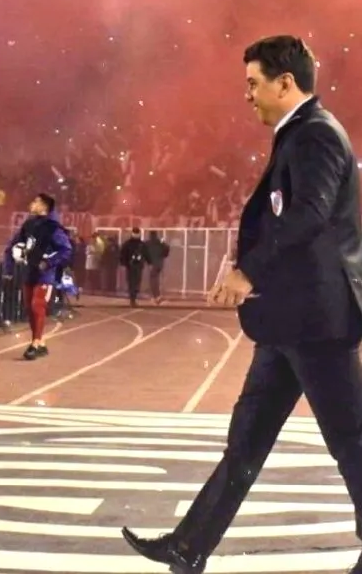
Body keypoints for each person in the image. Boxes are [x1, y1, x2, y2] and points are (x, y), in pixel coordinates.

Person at [122, 35, 362, 574]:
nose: (247, 94)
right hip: (289, 321)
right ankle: (188, 547)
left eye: (253, 83)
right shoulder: (298, 134)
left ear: (285, 82)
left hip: (316, 322)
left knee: (352, 443)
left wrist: (247, 269)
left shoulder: (315, 135)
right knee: (245, 444)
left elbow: (310, 215)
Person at [3, 193, 72, 360]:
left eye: (36, 201)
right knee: (30, 309)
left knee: (37, 305)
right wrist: (8, 268)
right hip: (29, 272)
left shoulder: (53, 228)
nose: (32, 203)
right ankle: (40, 343)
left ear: (44, 206)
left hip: (45, 275)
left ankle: (35, 343)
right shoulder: (28, 225)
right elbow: (11, 246)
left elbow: (66, 250)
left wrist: (48, 263)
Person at [120, 227, 149, 307]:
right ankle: (133, 299)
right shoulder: (140, 244)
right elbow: (146, 254)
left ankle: (132, 299)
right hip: (134, 266)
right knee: (134, 283)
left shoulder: (128, 244)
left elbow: (122, 254)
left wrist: (123, 263)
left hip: (133, 266)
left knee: (133, 283)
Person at [145, 230, 170, 304]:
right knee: (155, 279)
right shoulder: (160, 243)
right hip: (159, 264)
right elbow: (166, 251)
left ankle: (155, 296)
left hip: (152, 264)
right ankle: (156, 295)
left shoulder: (148, 243)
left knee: (153, 280)